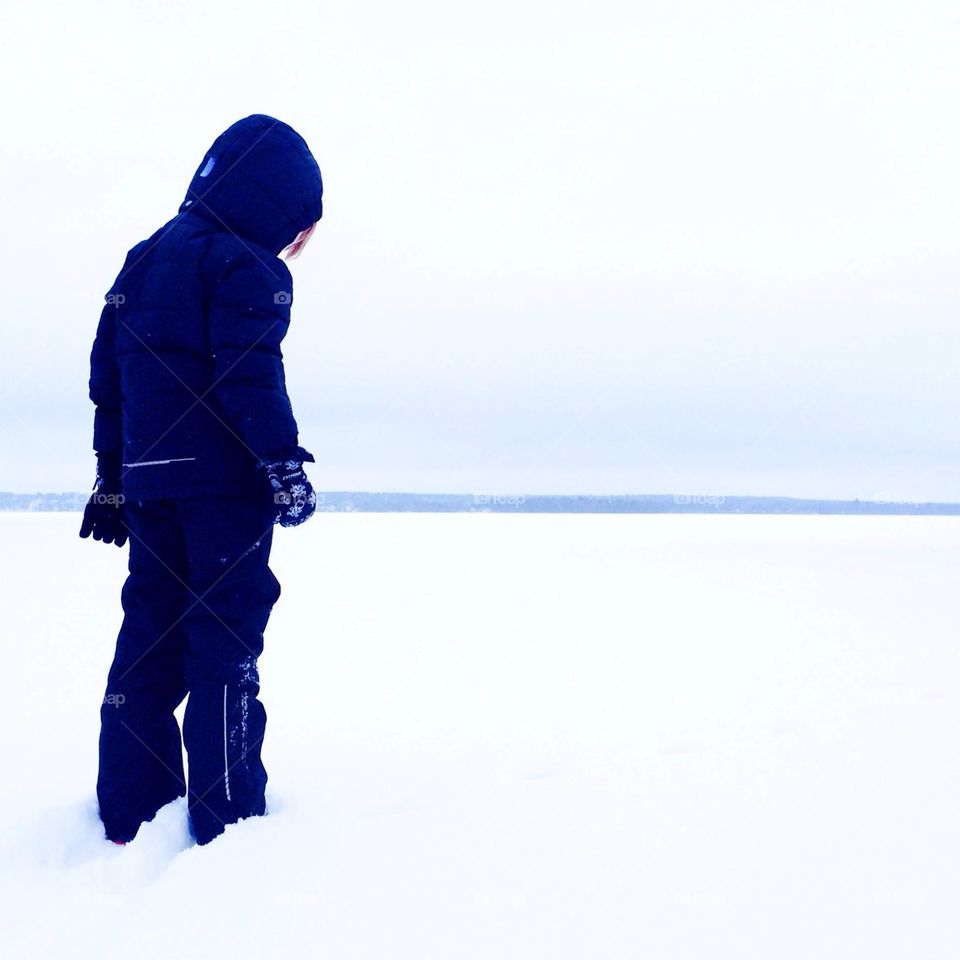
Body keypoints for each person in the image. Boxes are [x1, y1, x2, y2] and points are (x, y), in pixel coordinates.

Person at [79, 114, 323, 845]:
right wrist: (280, 462)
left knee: (149, 641)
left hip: (152, 490)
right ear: (272, 205)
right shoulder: (245, 263)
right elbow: (248, 374)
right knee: (224, 645)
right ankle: (228, 819)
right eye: (298, 229)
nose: (294, 247)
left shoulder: (144, 259)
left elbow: (110, 380)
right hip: (222, 494)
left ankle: (132, 809)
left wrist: (112, 480)